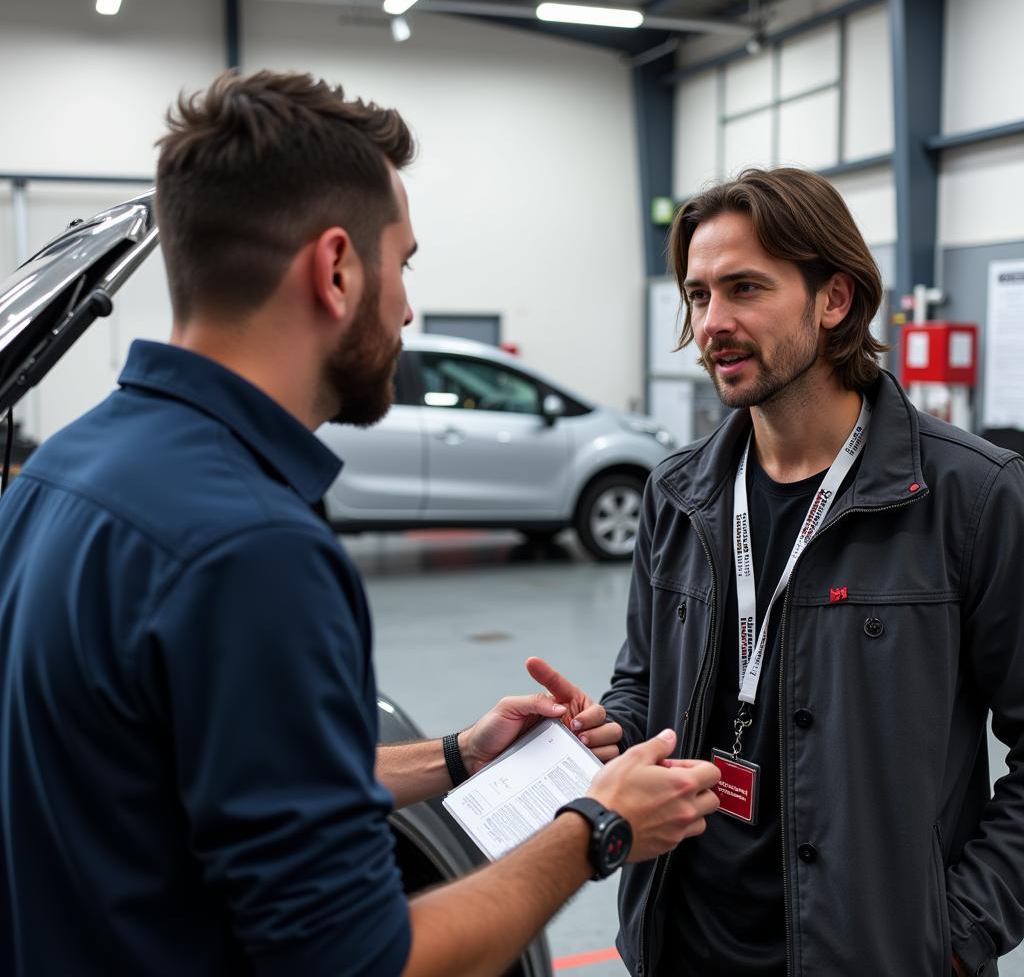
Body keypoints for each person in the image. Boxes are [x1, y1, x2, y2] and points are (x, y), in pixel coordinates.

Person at [0, 70, 721, 976]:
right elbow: (366, 962)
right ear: (336, 268)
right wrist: (599, 828)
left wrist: (460, 754)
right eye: (403, 262)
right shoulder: (251, 551)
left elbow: (212, 784)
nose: (409, 306)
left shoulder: (60, 471)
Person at [600, 167, 1024, 976]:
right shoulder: (676, 492)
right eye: (697, 295)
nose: (712, 324)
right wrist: (603, 728)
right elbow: (643, 681)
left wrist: (957, 935)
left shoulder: (970, 496)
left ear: (834, 300)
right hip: (684, 943)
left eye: (744, 289)